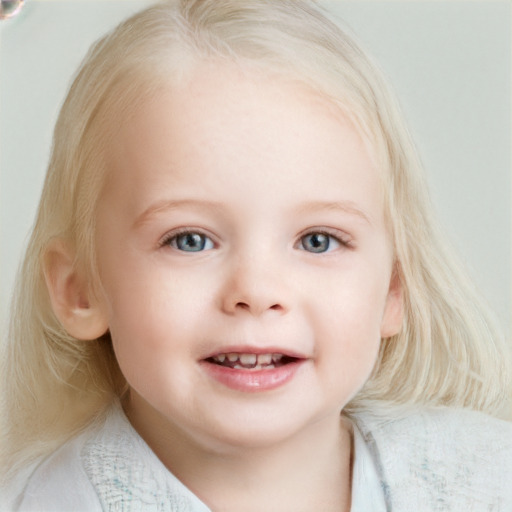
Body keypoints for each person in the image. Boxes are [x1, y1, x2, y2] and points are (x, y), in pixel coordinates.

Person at [1, 0, 511, 510]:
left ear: (394, 288)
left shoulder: (486, 479)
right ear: (80, 289)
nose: (257, 292)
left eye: (318, 240)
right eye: (190, 240)